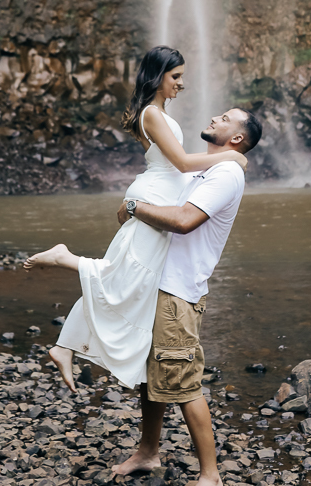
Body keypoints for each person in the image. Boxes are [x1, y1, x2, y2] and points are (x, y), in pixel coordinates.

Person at [23, 46, 248, 392]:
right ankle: (63, 258)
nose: (181, 83)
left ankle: (64, 346)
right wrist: (232, 156)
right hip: (154, 195)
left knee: (126, 281)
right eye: (175, 76)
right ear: (157, 76)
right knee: (122, 277)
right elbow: (184, 164)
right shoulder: (153, 115)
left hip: (157, 192)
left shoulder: (155, 112)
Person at [110, 105, 262, 486]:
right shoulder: (207, 167)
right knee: (151, 371)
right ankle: (148, 451)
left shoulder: (226, 174)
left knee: (183, 382)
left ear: (236, 138)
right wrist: (140, 124)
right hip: (158, 281)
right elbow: (163, 164)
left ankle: (211, 478)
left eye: (225, 118)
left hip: (179, 291)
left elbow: (182, 220)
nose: (214, 117)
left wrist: (132, 209)